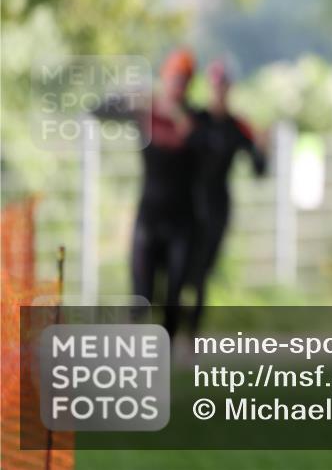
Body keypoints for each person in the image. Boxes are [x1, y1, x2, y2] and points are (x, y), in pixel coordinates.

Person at [93, 48, 199, 338]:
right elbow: (97, 110)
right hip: (149, 216)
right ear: (165, 78)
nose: (178, 84)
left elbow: (206, 142)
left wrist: (177, 116)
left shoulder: (194, 118)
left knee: (174, 292)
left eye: (184, 79)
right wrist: (128, 94)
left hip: (182, 219)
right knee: (141, 294)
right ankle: (131, 350)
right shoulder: (146, 114)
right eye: (174, 78)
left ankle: (168, 352)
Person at [187, 60, 267, 335]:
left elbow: (258, 169)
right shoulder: (195, 119)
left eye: (224, 86)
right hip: (186, 205)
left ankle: (190, 339)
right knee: (180, 270)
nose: (219, 91)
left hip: (217, 206)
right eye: (216, 85)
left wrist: (261, 148)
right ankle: (169, 333)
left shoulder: (237, 126)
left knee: (201, 275)